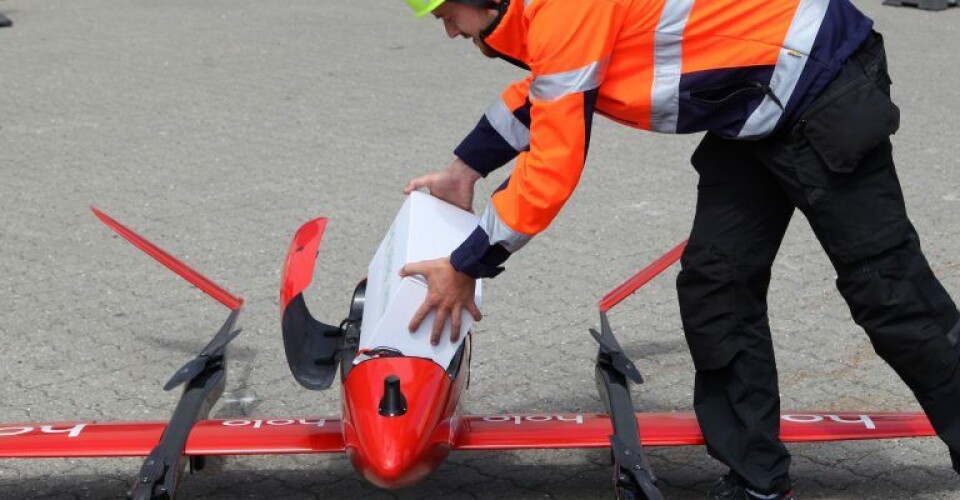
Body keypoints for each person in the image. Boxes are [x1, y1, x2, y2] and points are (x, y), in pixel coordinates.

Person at [397, 0, 960, 498]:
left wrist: (465, 264)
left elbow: (551, 169)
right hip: (757, 107)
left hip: (821, 79)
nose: (449, 31)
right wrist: (462, 170)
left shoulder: (564, 9)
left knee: (889, 293)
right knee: (718, 283)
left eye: (447, 15)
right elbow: (548, 91)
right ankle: (758, 481)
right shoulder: (543, 17)